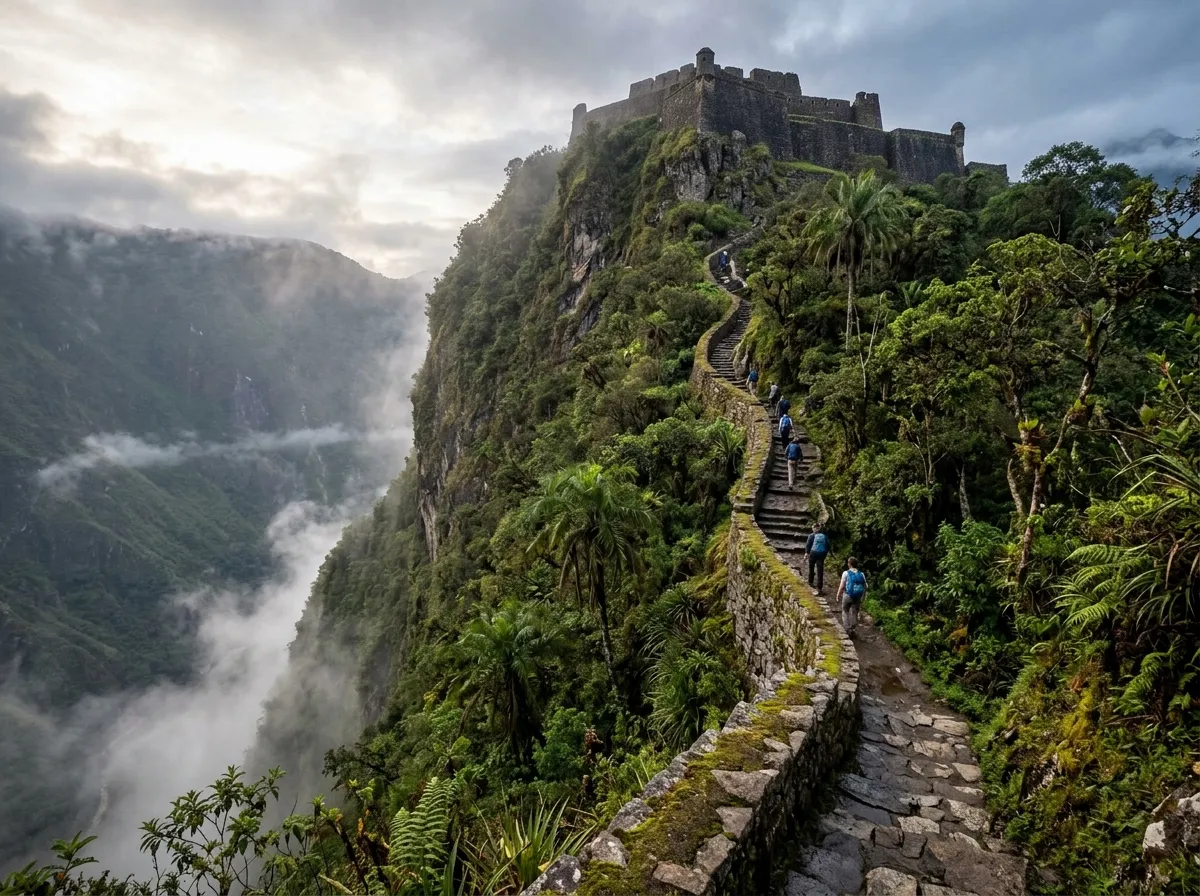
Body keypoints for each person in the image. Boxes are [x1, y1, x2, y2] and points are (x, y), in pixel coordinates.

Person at [836, 556, 867, 635]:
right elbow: (865, 586)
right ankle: (852, 628)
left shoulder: (846, 573)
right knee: (855, 612)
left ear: (849, 564)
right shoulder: (862, 574)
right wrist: (863, 596)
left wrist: (838, 594)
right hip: (857, 596)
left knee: (845, 610)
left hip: (848, 595)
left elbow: (842, 585)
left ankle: (847, 628)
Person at [805, 523, 828, 592]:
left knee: (811, 567)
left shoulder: (811, 536)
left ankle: (810, 581)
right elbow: (827, 546)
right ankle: (819, 587)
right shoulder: (824, 536)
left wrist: (806, 553)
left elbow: (808, 545)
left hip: (813, 553)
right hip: (821, 554)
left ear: (814, 528)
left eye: (813, 528)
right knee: (820, 570)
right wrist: (824, 554)